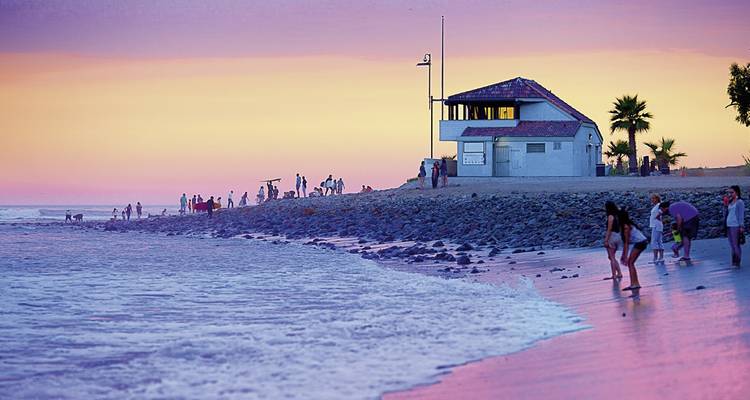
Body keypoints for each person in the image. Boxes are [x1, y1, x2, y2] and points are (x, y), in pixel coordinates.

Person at [619, 208, 648, 291]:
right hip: (642, 242)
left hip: (641, 243)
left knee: (630, 263)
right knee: (630, 263)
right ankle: (635, 283)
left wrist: (624, 255)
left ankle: (634, 284)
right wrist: (624, 255)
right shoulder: (628, 225)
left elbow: (626, 243)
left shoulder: (626, 227)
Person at [603, 201, 623, 280]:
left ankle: (614, 275)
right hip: (618, 235)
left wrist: (606, 240)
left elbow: (609, 228)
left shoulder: (610, 216)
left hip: (612, 236)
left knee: (611, 257)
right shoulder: (617, 215)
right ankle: (619, 273)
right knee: (611, 257)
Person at [726, 185, 745, 267]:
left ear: (736, 192)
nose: (730, 194)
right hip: (729, 224)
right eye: (729, 192)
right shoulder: (730, 202)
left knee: (735, 244)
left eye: (732, 192)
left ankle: (737, 261)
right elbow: (727, 213)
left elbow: (741, 215)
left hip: (735, 225)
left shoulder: (739, 202)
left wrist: (741, 226)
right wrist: (725, 204)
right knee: (731, 244)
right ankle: (734, 261)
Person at [649, 194, 664, 264]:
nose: (652, 200)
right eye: (651, 199)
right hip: (656, 225)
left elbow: (662, 210)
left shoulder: (659, 205)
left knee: (654, 241)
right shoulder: (656, 206)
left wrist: (658, 216)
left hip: (656, 225)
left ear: (657, 199)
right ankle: (661, 257)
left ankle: (655, 258)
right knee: (659, 241)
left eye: (653, 198)